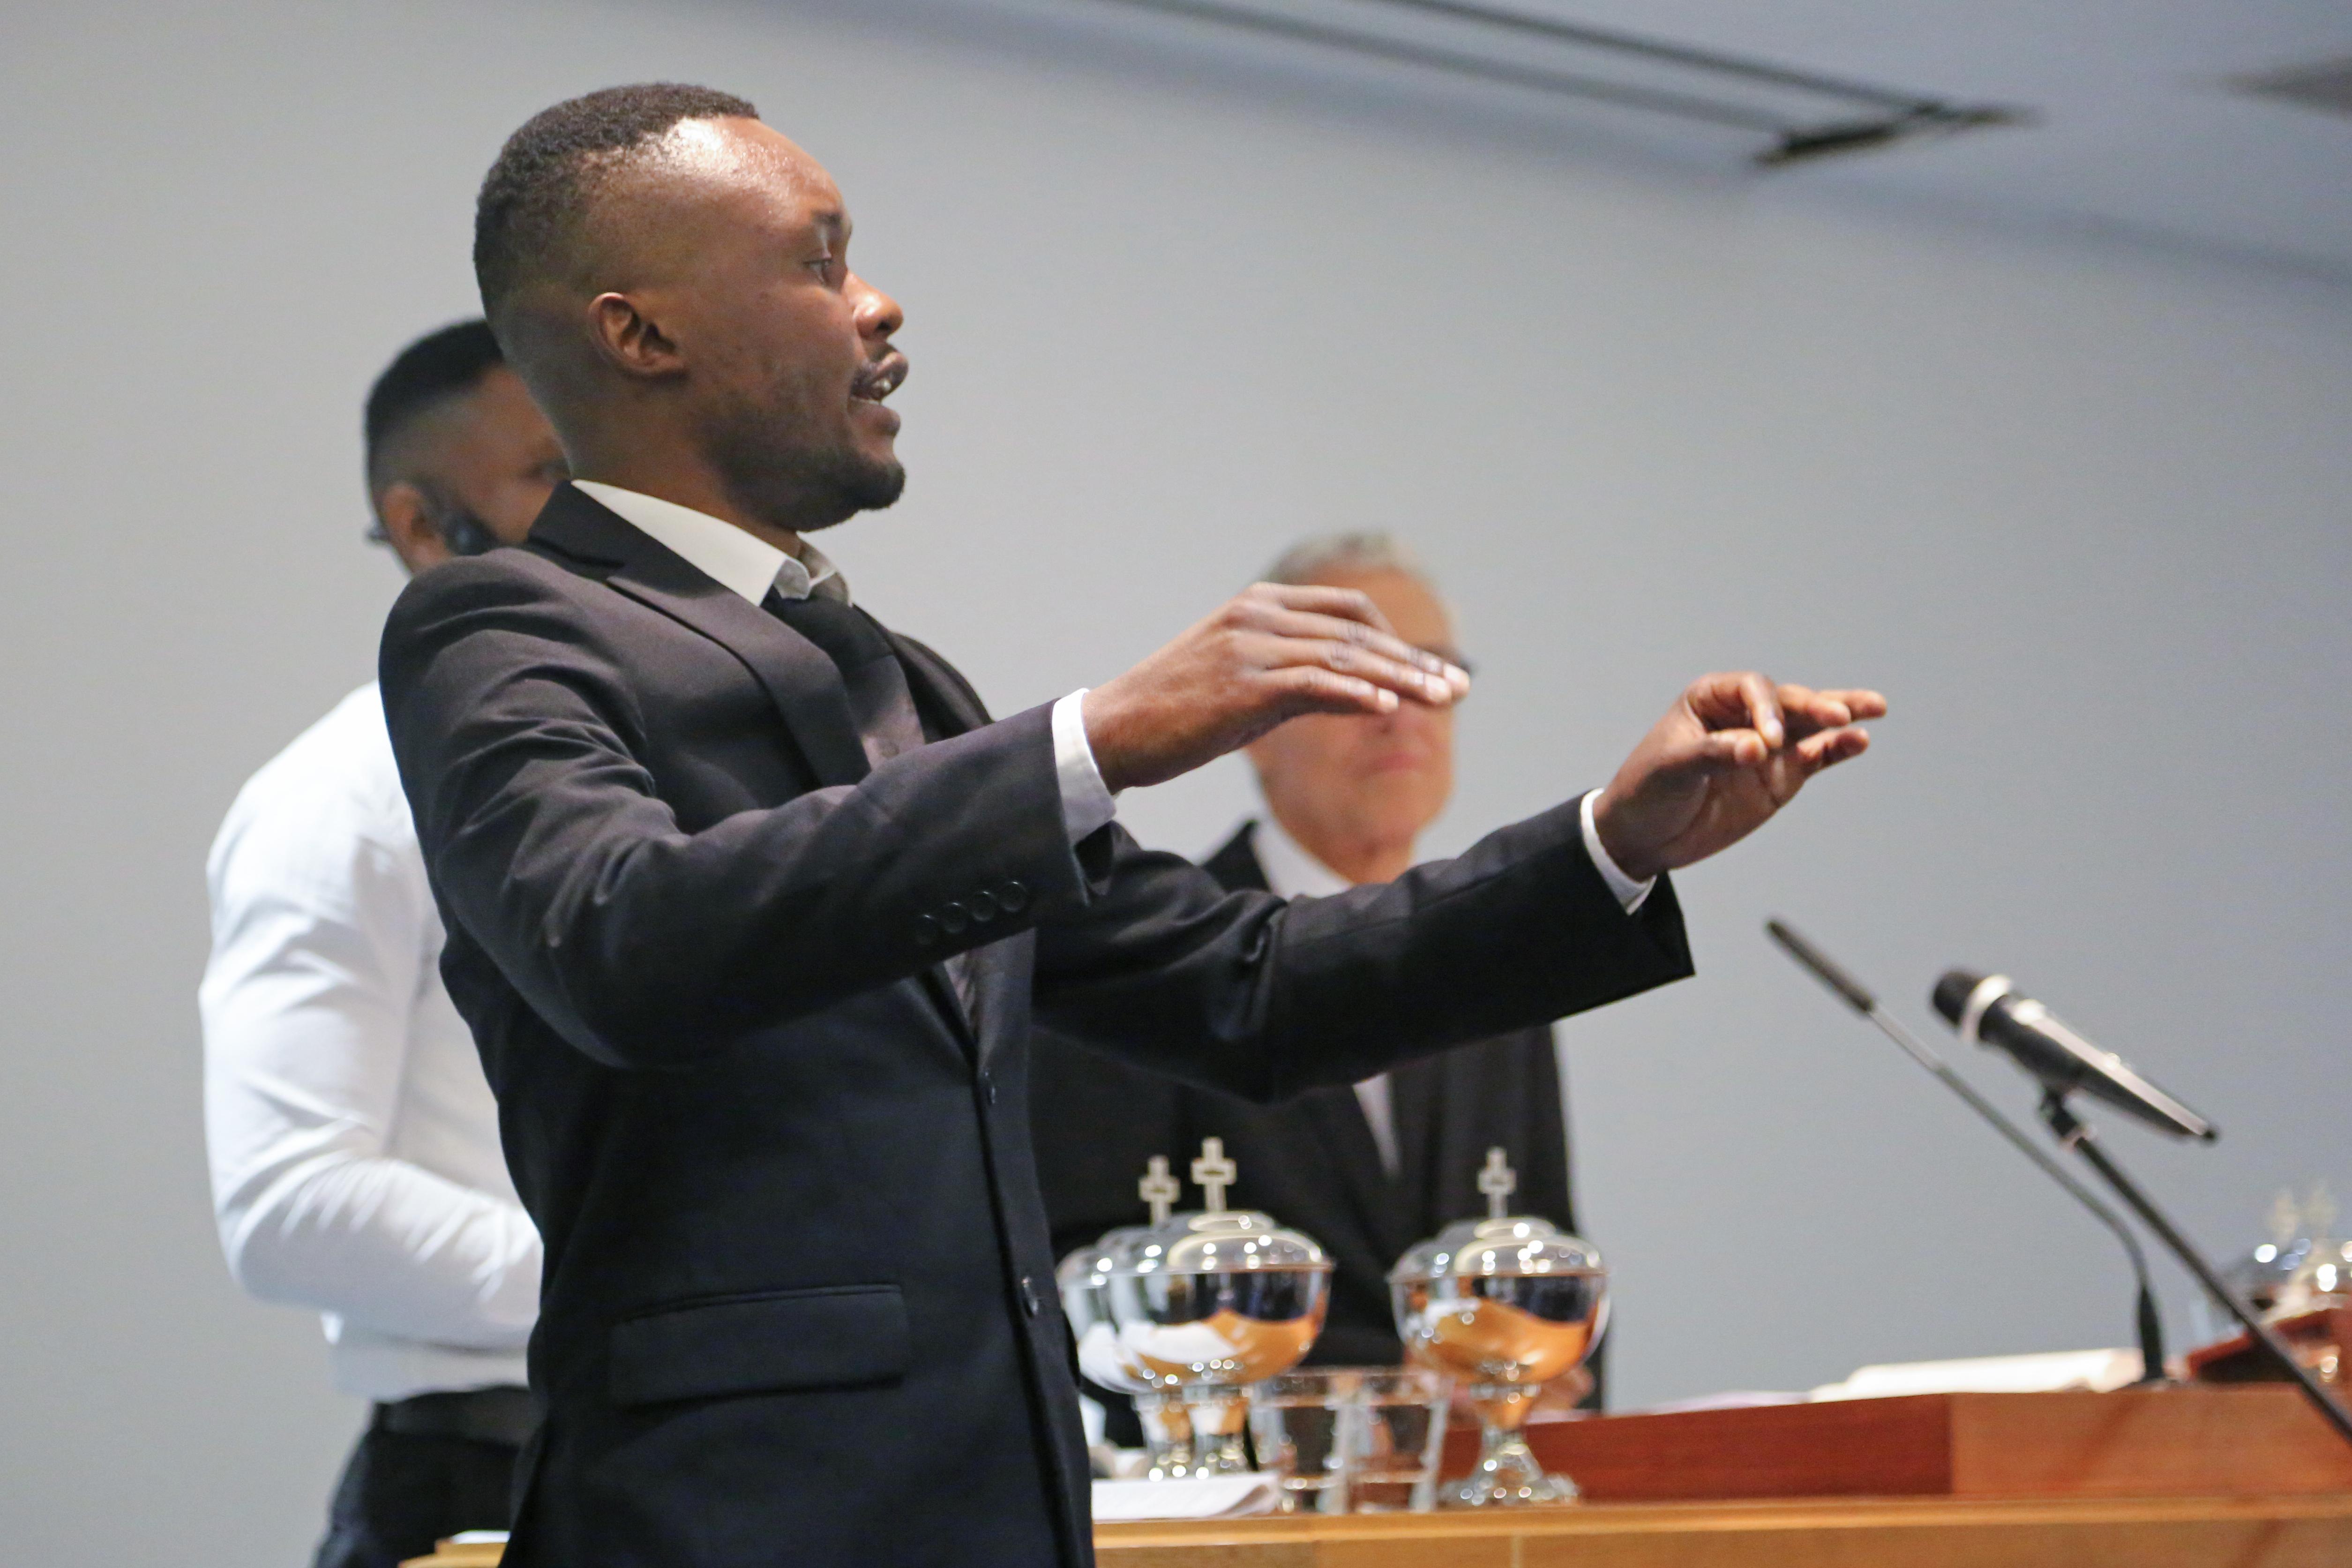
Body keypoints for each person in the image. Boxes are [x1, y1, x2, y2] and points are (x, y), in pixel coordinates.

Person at [379, 83, 1883, 1568]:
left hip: (1005, 1512)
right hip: (719, 1520)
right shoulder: (501, 626)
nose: (880, 306)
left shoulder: (904, 684)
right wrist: (1092, 740)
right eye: (821, 262)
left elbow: (1251, 986)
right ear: (641, 333)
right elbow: (618, 940)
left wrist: (1612, 842)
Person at [1032, 532, 1603, 1433]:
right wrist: (1381, 1397)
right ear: (1255, 725)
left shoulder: (1491, 958)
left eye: (1433, 672)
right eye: (1357, 674)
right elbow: (1081, 1278)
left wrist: (1541, 1369)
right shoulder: (1151, 952)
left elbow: (1547, 1246)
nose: (1401, 710)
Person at [202, 320, 567, 1568]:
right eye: (552, 475)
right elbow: (289, 1203)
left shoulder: (665, 769)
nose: (604, 517)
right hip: (485, 1477)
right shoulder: (342, 800)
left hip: (703, 1457)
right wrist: (657, 1280)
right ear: (422, 527)